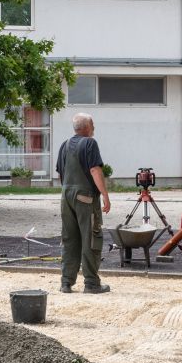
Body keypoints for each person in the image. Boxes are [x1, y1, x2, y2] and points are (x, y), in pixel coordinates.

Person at [55, 112, 111, 294]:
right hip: (85, 197)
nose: (94, 127)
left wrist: (68, 192)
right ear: (88, 126)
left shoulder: (64, 145)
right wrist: (105, 195)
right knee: (91, 238)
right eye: (92, 124)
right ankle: (91, 283)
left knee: (69, 239)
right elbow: (95, 170)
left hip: (66, 196)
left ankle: (66, 283)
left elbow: (60, 174)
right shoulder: (90, 143)